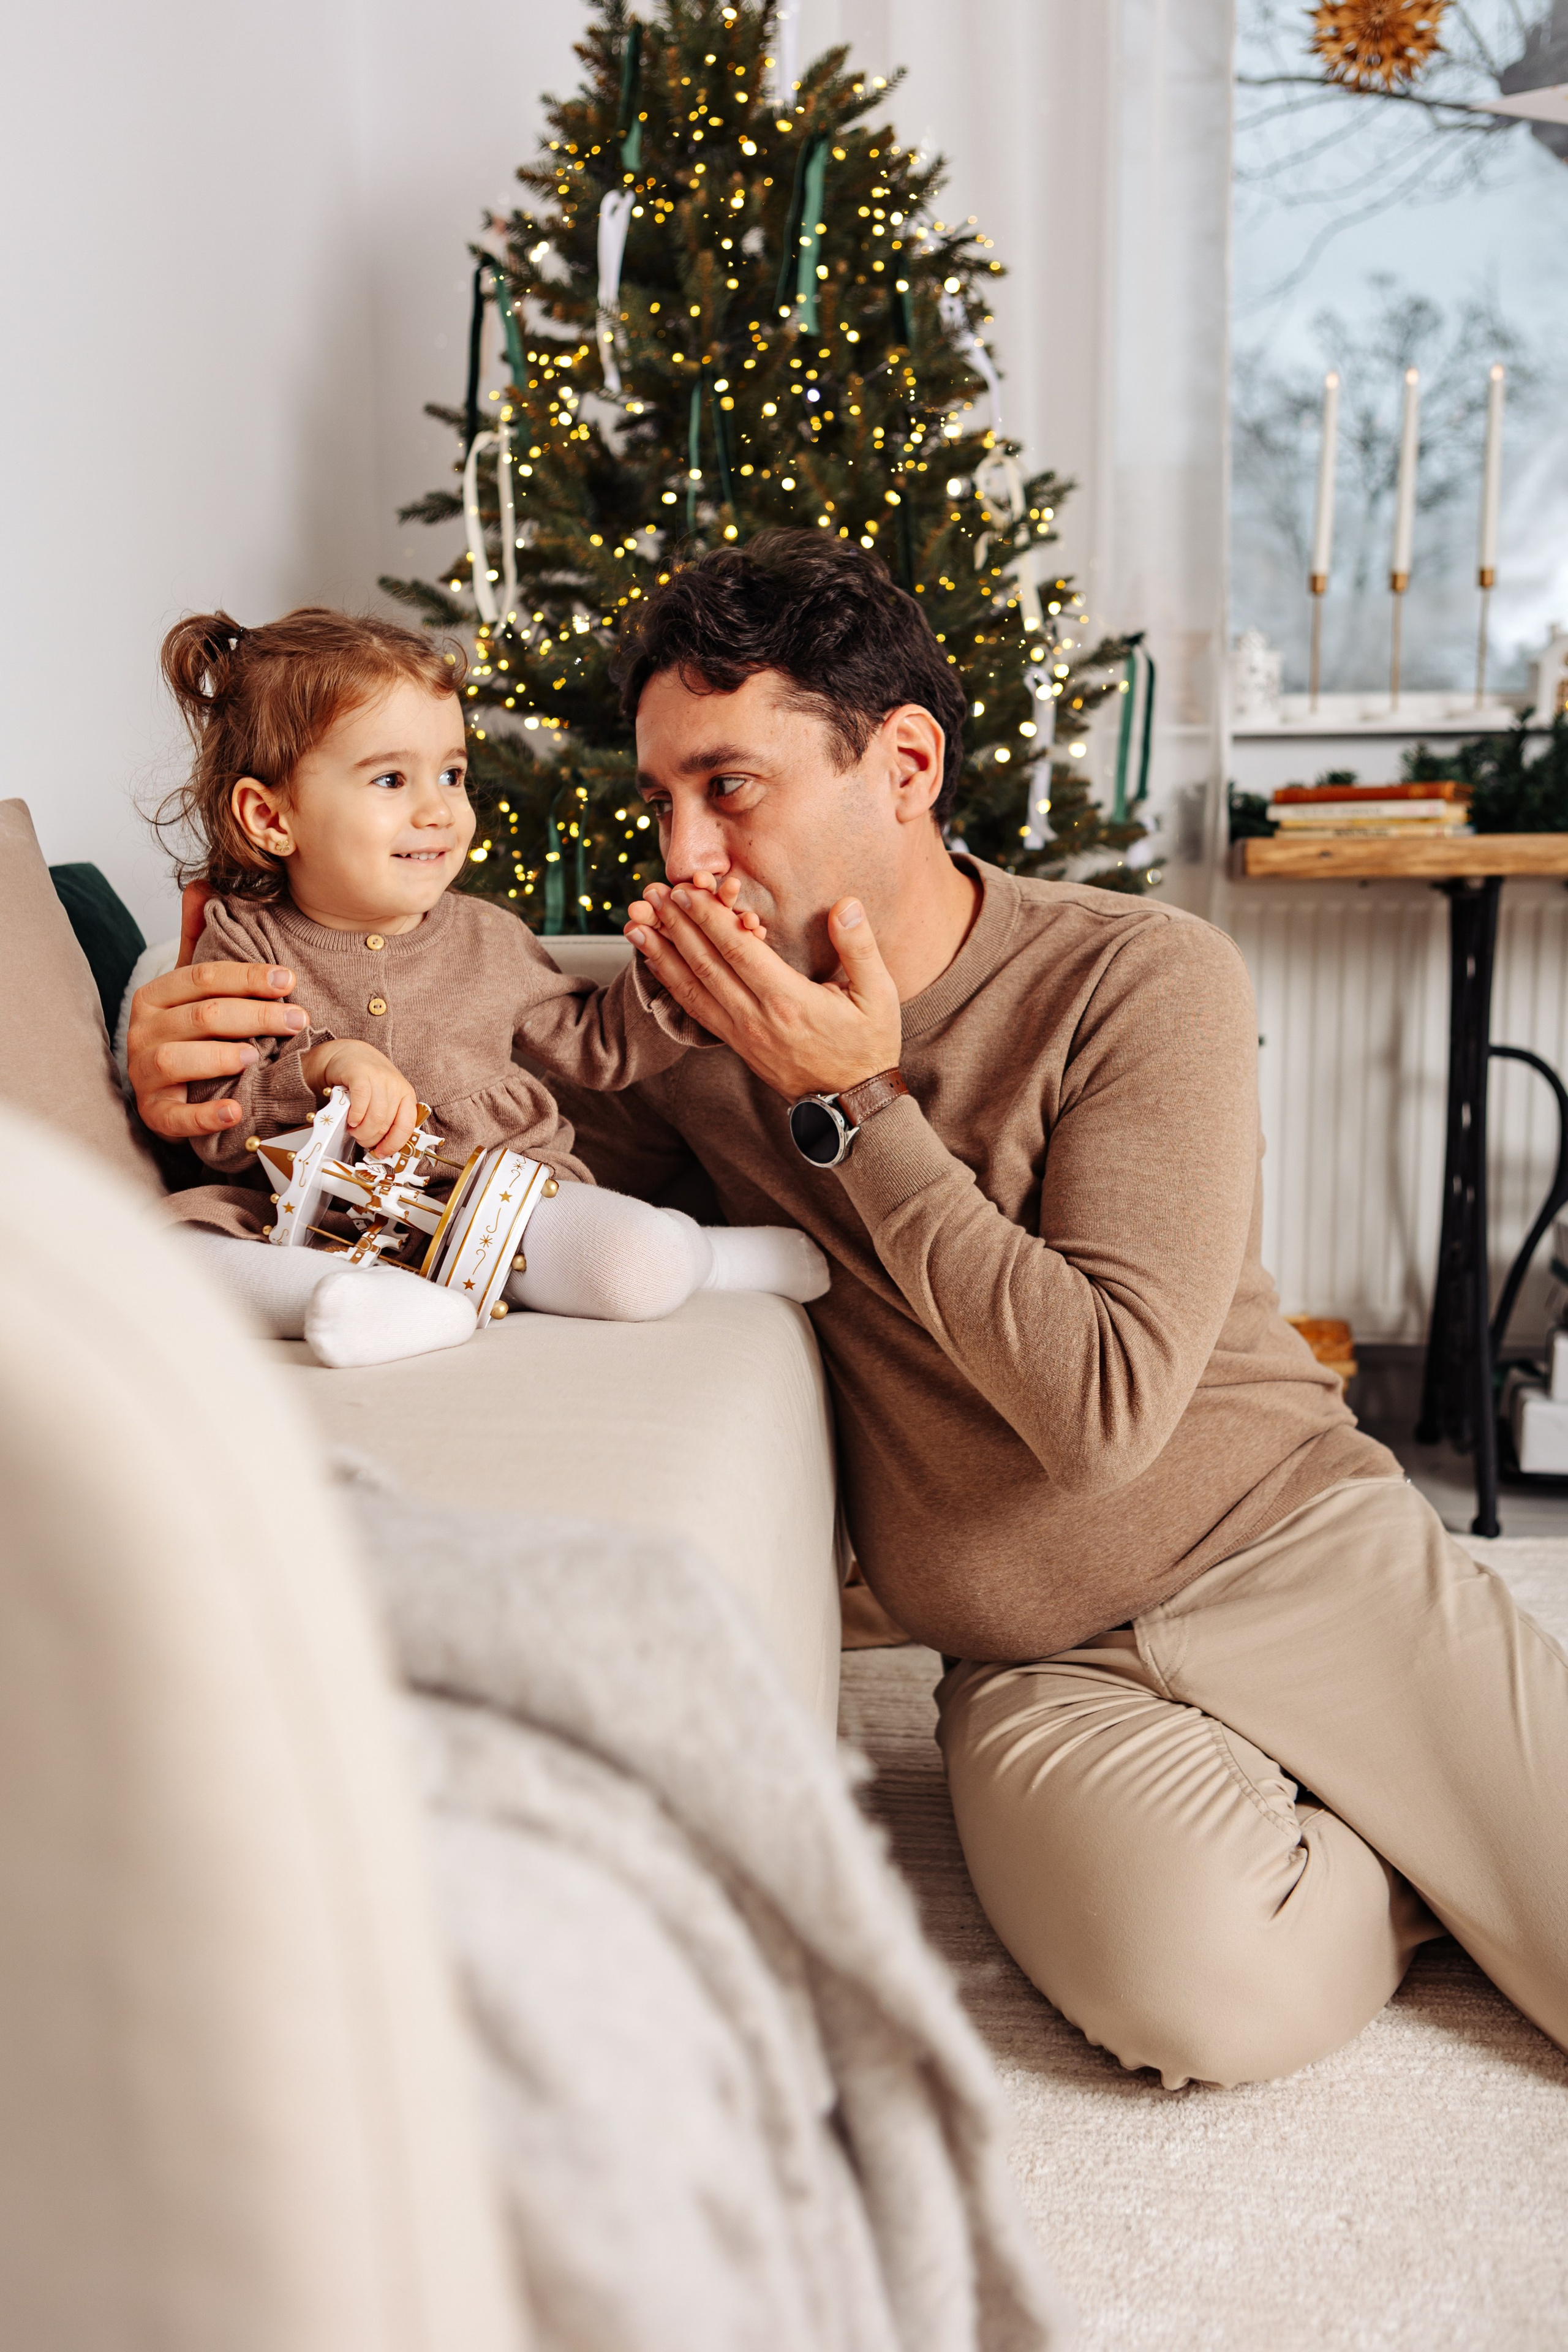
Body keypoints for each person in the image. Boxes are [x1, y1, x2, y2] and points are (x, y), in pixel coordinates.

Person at [130, 533, 1568, 2088]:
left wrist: (848, 1103)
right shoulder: (680, 1021)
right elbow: (442, 1122)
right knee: (1205, 1999)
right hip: (1029, 1660)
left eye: (729, 789)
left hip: (1287, 1549)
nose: (681, 855)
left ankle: (1417, 1795)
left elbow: (1099, 1411)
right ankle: (1407, 1855)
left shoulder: (1136, 978)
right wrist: (183, 1081)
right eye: (660, 801)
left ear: (901, 763)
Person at [151, 605, 826, 1368]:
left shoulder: (488, 936)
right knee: (174, 1258)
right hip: (302, 1223)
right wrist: (320, 1068)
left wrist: (672, 963)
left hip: (494, 1201)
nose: (438, 809)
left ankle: (709, 1261)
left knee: (637, 1264)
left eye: (452, 775)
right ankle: (369, 1304)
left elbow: (596, 1047)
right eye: (391, 779)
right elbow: (214, 1120)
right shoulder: (245, 941)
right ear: (271, 817)